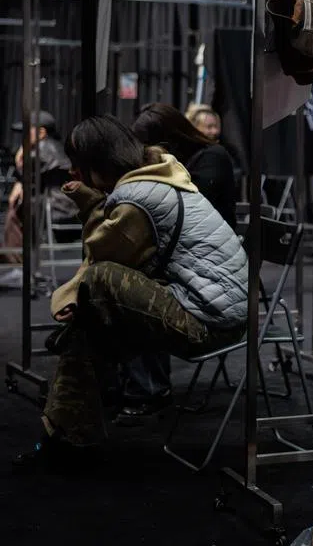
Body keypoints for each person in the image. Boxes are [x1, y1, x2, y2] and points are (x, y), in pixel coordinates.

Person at [12, 116, 247, 471]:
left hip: (212, 321)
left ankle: (69, 434)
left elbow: (103, 253)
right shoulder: (158, 174)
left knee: (101, 282)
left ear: (97, 162)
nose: (73, 171)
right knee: (89, 329)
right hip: (213, 305)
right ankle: (67, 437)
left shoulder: (137, 197)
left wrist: (89, 205)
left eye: (79, 165)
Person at [119, 102, 241, 421]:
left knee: (133, 291)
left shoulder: (212, 158)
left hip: (211, 278)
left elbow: (178, 213)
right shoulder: (186, 163)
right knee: (126, 281)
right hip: (195, 267)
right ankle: (132, 384)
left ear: (167, 142)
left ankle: (149, 388)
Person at [1, 111, 77, 289]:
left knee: (15, 211)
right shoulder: (57, 147)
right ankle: (22, 266)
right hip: (67, 207)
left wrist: (20, 155)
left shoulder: (42, 150)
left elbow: (24, 174)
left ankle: (20, 269)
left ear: (41, 133)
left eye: (27, 132)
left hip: (55, 209)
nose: (23, 138)